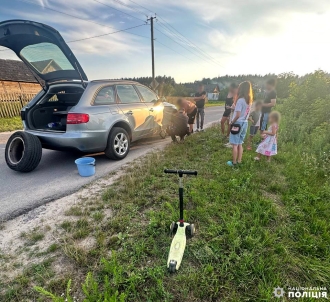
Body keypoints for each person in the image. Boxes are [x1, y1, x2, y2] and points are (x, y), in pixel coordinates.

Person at [227, 81, 253, 167]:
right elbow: (244, 113)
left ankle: (234, 163)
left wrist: (232, 122)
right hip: (245, 123)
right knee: (240, 143)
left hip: (237, 124)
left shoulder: (240, 100)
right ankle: (239, 161)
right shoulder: (249, 101)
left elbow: (238, 115)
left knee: (234, 144)